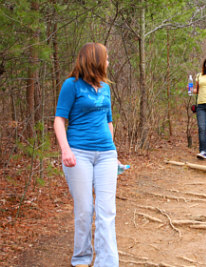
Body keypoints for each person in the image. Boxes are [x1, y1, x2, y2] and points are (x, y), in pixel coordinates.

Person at [54, 43, 119, 267]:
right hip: (78, 154)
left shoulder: (106, 87)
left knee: (107, 211)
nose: (109, 62)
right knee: (84, 210)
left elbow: (109, 121)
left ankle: (107, 262)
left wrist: (112, 150)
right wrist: (65, 150)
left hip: (106, 155)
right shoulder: (71, 85)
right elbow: (59, 120)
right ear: (95, 59)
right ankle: (81, 258)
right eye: (106, 58)